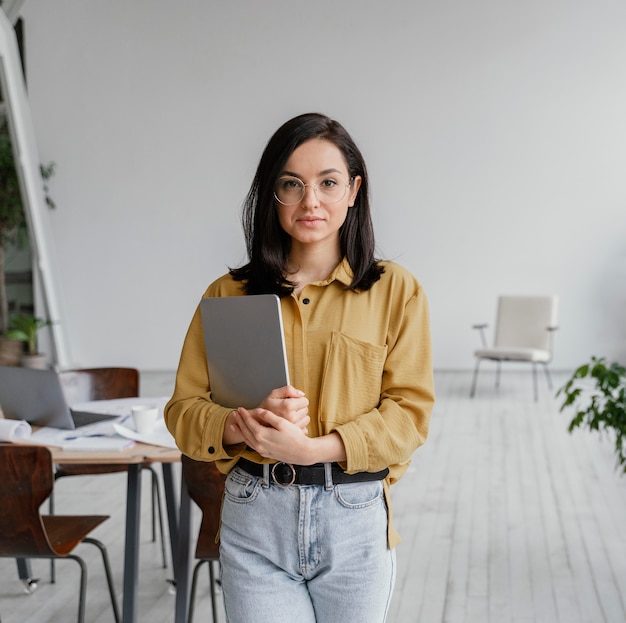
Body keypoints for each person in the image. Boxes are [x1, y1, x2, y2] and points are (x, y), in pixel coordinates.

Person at [164, 112, 435, 623]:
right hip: (254, 515)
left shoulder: (397, 291)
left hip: (353, 518)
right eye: (292, 184)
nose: (311, 201)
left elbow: (408, 417)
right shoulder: (227, 296)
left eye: (328, 183)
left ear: (353, 190)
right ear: (272, 194)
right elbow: (183, 412)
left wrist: (312, 448)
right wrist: (239, 422)